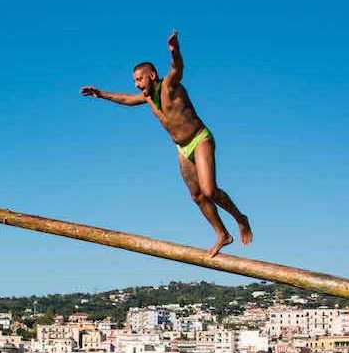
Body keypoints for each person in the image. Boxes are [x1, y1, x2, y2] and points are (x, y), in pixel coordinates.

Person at [81, 30, 252, 257]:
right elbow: (125, 99)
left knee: (209, 190)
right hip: (182, 148)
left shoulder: (169, 86)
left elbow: (177, 69)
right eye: (134, 82)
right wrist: (101, 94)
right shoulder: (147, 97)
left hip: (199, 139)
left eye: (139, 79)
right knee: (197, 196)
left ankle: (240, 218)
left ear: (151, 76)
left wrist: (174, 50)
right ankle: (222, 234)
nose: (136, 85)